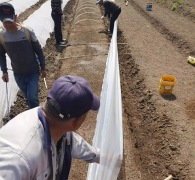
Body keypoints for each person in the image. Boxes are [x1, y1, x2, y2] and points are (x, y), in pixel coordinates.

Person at [0, 75, 100, 179]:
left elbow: (71, 142)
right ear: (77, 121)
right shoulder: (18, 159)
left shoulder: (55, 124)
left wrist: (101, 157)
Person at [0, 2, 46, 109]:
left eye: (9, 22)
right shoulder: (2, 35)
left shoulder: (26, 31)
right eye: (4, 22)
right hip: (18, 73)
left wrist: (43, 67)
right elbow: (1, 55)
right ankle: (33, 112)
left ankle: (36, 115)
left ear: (15, 17)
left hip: (33, 71)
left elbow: (38, 50)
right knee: (27, 97)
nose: (7, 25)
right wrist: (4, 71)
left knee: (32, 97)